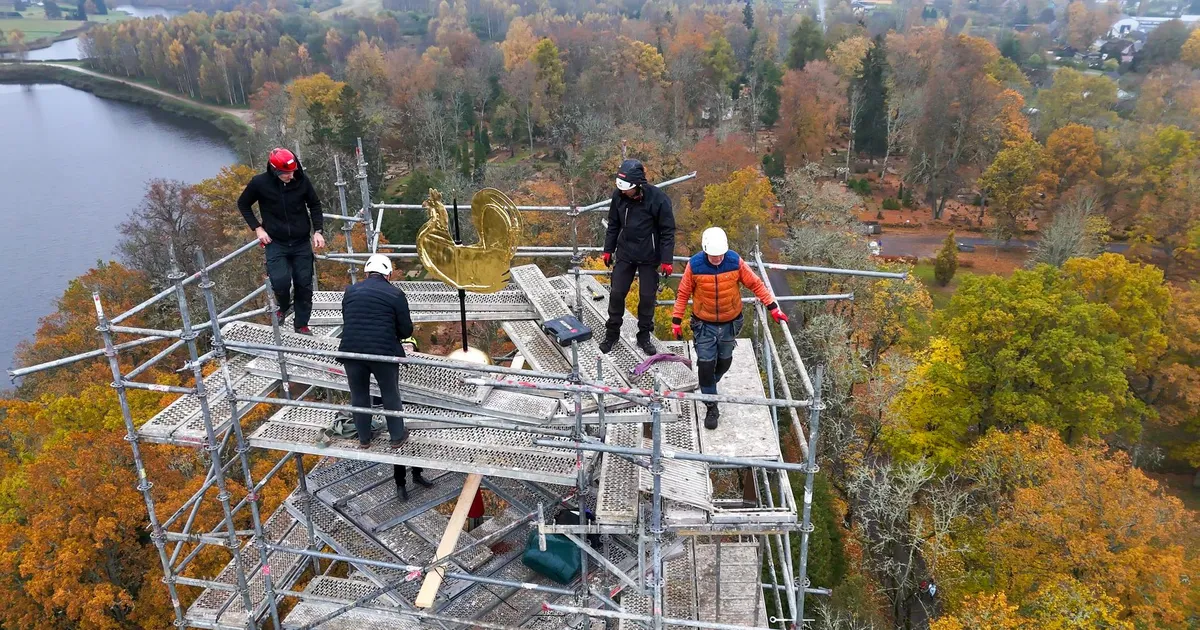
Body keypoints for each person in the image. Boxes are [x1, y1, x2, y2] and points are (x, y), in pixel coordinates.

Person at [671, 227, 788, 429]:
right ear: (706, 251)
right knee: (706, 364)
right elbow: (683, 293)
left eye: (720, 255)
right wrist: (676, 320)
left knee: (724, 362)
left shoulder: (734, 261)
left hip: (730, 323)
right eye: (713, 255)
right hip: (704, 324)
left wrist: (773, 308)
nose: (717, 259)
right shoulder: (695, 265)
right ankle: (711, 405)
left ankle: (709, 384)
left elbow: (756, 284)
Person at [238, 147, 325, 335]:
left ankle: (301, 324)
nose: (290, 176)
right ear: (275, 170)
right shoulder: (260, 183)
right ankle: (283, 306)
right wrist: (258, 228)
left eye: (292, 171)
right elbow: (243, 204)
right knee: (280, 282)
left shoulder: (302, 181)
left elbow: (315, 204)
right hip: (276, 242)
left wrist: (318, 231)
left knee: (304, 284)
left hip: (301, 241)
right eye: (286, 173)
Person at [601, 158, 676, 356]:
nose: (623, 191)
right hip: (626, 252)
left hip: (649, 256)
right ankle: (612, 333)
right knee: (616, 293)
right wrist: (608, 249)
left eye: (627, 188)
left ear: (638, 185)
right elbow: (613, 224)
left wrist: (667, 260)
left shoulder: (658, 199)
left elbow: (668, 231)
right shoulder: (619, 197)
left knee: (647, 297)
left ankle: (644, 336)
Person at [338, 254, 413, 449]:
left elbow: (349, 318)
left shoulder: (350, 291)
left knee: (359, 395)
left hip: (352, 350)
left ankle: (364, 439)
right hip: (383, 351)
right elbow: (406, 330)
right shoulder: (395, 294)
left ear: (367, 272)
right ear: (388, 274)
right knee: (390, 393)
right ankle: (397, 436)